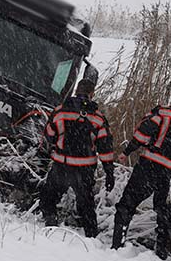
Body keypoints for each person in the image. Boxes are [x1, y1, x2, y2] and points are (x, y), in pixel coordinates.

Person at [111, 86, 171, 258]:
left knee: (127, 204)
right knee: (165, 212)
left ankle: (117, 245)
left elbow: (142, 134)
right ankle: (161, 253)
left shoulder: (163, 113)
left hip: (149, 167)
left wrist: (127, 152)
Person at [38, 78, 115, 237]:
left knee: (49, 198)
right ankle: (91, 236)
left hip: (61, 166)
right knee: (86, 205)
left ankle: (50, 222)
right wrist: (109, 172)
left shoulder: (60, 111)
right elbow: (105, 148)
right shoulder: (98, 118)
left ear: (76, 91)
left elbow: (48, 137)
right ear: (91, 94)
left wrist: (48, 153)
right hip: (84, 170)